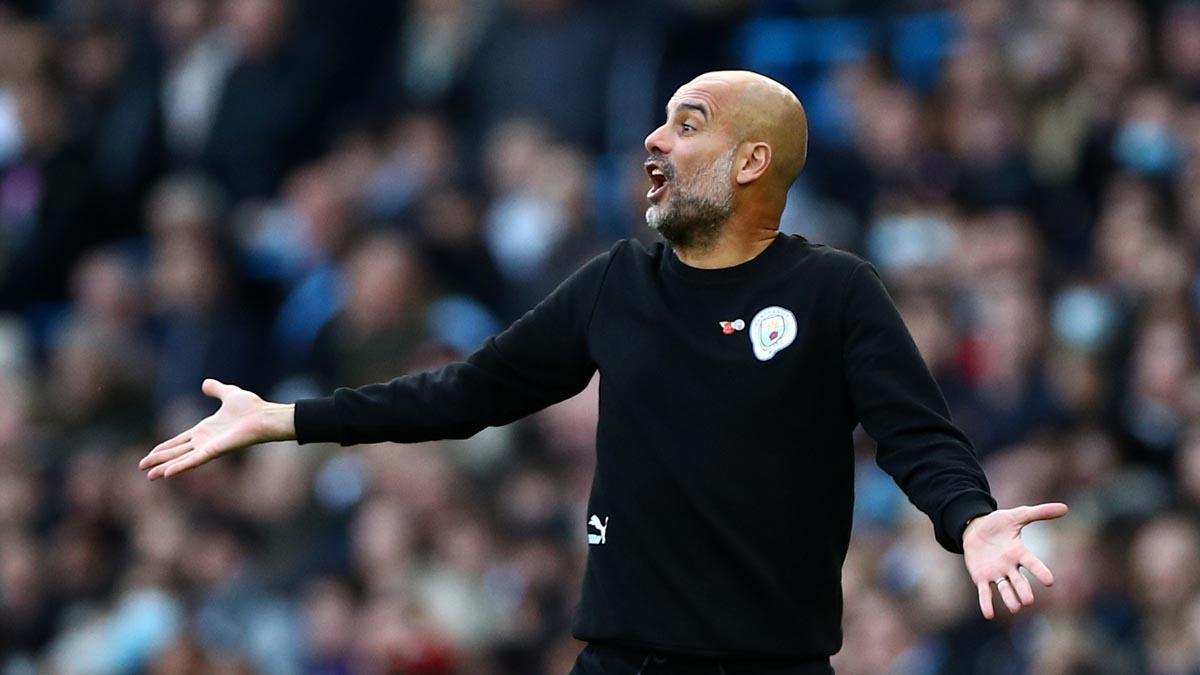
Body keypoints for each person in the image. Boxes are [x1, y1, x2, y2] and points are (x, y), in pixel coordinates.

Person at [140, 71, 1068, 674]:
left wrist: (971, 521)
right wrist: (291, 419)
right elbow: (468, 393)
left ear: (752, 161)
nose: (656, 143)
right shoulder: (616, 284)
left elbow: (920, 438)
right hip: (619, 661)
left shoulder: (834, 293)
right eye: (660, 122)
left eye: (687, 126)